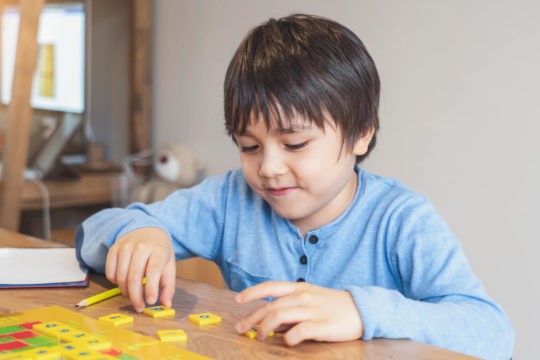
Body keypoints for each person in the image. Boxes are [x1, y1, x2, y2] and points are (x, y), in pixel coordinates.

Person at [75, 13, 514, 359]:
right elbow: (92, 236)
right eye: (248, 146)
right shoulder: (231, 199)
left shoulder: (400, 219)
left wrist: (362, 312)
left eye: (295, 143)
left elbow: (493, 334)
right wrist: (136, 232)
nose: (268, 168)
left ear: (362, 133)